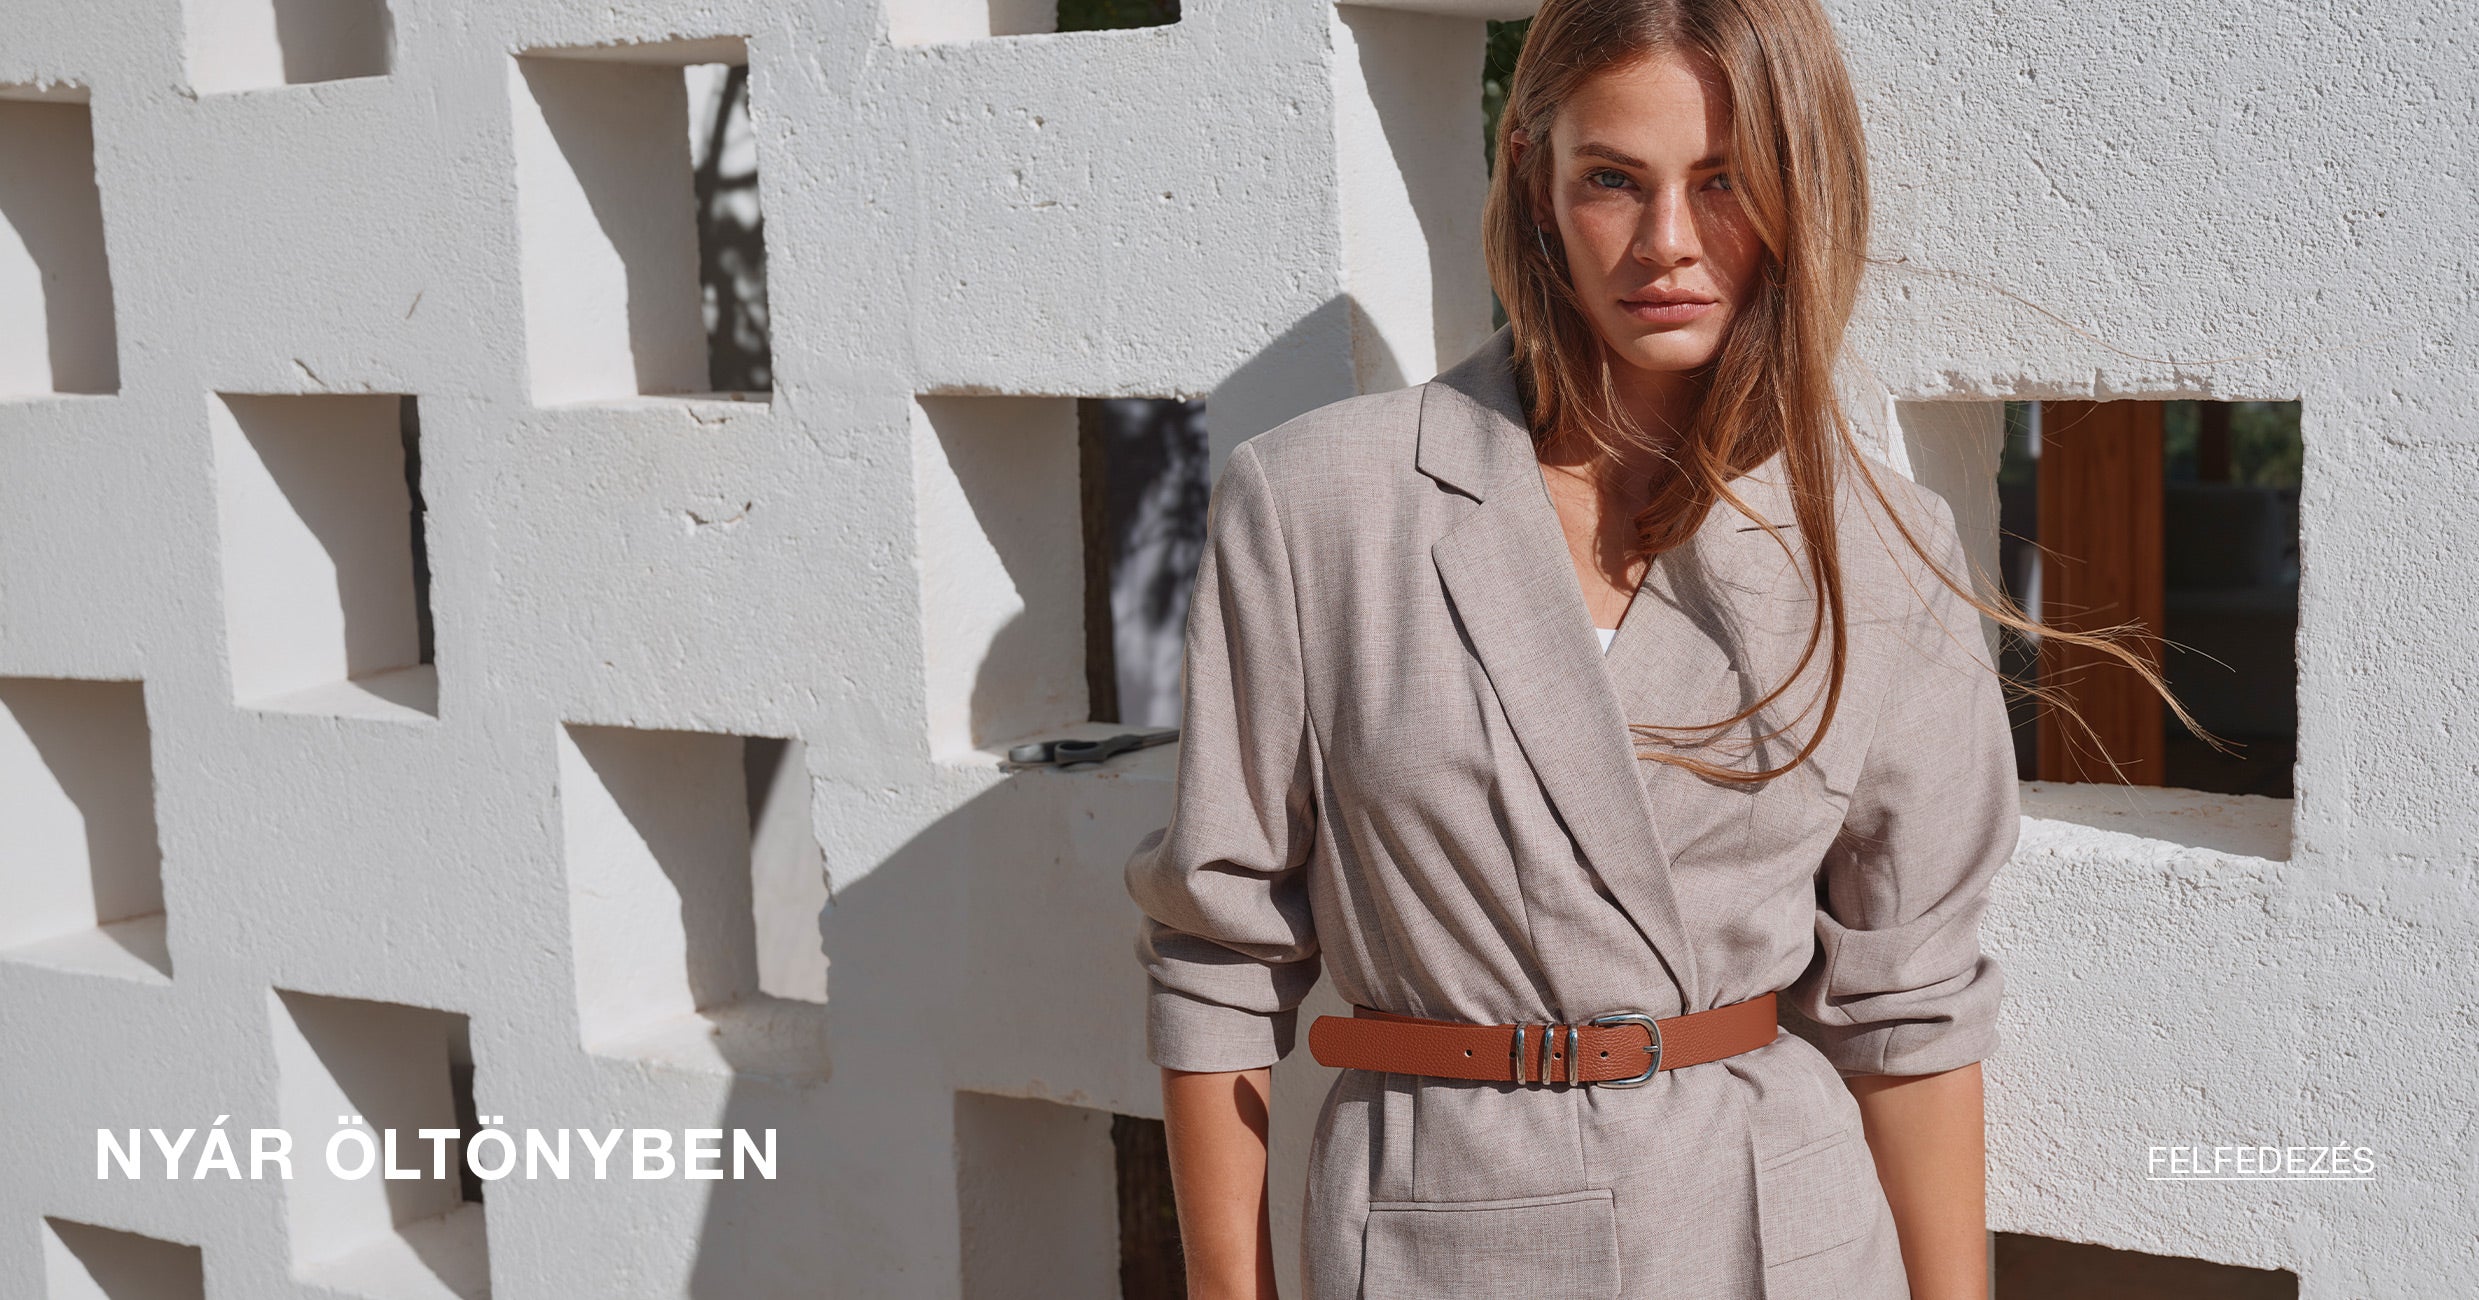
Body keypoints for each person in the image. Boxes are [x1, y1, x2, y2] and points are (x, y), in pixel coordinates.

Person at [1124, 1, 2181, 1296]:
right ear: (1536, 179)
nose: (1667, 242)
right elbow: (1220, 955)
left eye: (1725, 181)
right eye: (1614, 180)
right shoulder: (1316, 505)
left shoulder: (1883, 545)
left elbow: (1910, 1004)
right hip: (1434, 1230)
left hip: (1776, 1233)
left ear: (1801, 187)